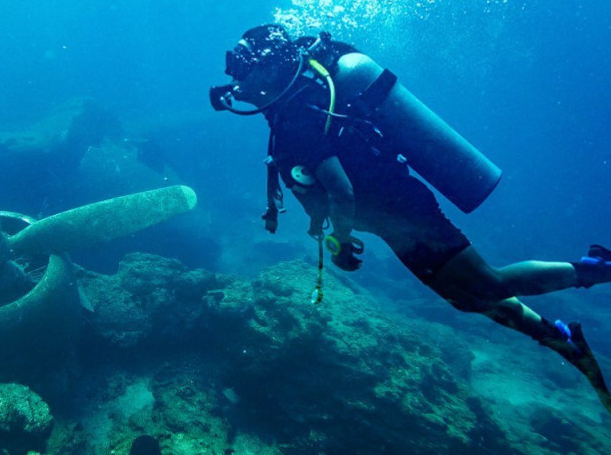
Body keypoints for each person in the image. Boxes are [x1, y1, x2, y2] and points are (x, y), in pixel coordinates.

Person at [209, 23, 611, 414]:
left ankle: (595, 267)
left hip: (407, 214)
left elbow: (341, 190)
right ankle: (557, 337)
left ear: (270, 68)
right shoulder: (293, 109)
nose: (239, 83)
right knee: (465, 299)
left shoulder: (297, 119)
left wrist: (342, 244)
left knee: (489, 284)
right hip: (393, 222)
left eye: (246, 70)